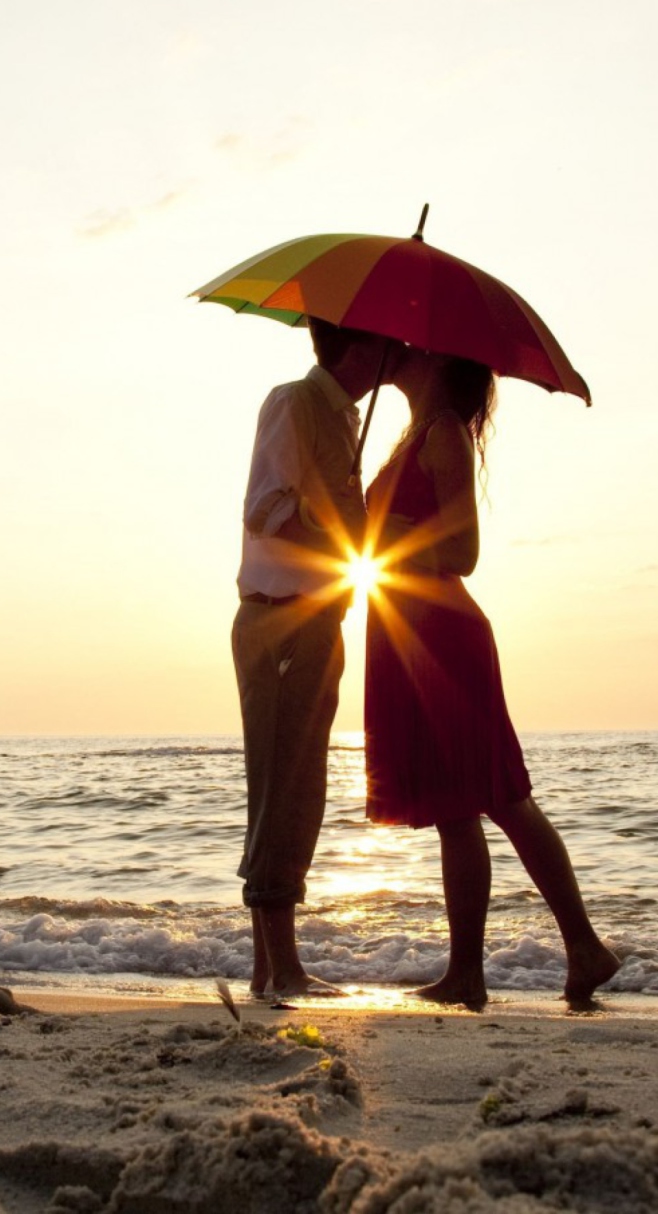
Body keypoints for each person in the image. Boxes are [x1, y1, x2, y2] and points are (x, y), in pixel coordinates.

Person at [364, 345, 621, 1011]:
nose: (395, 352)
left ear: (435, 362)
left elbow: (464, 552)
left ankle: (583, 946)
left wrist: (390, 531)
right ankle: (468, 974)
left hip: (443, 634)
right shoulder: (414, 434)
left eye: (410, 348)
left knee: (500, 796)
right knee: (455, 810)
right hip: (408, 631)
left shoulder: (444, 431)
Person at [233, 317, 391, 999]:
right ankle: (281, 968)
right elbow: (265, 507)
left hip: (317, 618)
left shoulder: (345, 419)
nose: (397, 352)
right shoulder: (295, 402)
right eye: (386, 341)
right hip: (279, 619)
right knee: (281, 789)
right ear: (357, 345)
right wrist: (342, 538)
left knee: (304, 790)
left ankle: (273, 970)